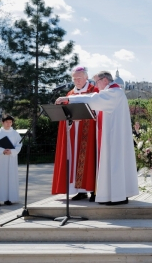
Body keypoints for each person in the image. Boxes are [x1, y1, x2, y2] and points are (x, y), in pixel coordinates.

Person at [56, 70, 139, 205]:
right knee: (113, 165)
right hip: (111, 135)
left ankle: (117, 197)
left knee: (114, 165)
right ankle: (114, 196)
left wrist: (68, 99)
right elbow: (96, 101)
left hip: (113, 137)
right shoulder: (113, 92)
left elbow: (93, 98)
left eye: (97, 82)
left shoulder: (114, 93)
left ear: (104, 80)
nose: (96, 85)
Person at [52, 67, 98, 202]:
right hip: (73, 133)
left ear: (86, 77)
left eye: (79, 78)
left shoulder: (94, 91)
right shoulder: (70, 93)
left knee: (91, 158)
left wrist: (83, 117)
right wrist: (71, 118)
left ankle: (93, 190)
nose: (76, 81)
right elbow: (65, 114)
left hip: (89, 133)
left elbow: (98, 112)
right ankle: (80, 191)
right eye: (74, 78)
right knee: (74, 159)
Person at [0, 115, 23, 207]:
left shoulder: (15, 133)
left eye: (10, 122)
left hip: (11, 158)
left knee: (10, 177)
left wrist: (11, 151)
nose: (8, 124)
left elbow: (19, 145)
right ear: (2, 122)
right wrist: (2, 151)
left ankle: (8, 199)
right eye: (7, 122)